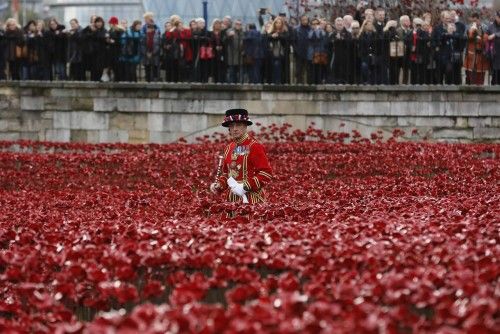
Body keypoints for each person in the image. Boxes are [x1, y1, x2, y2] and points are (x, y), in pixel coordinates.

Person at [210, 108, 272, 204]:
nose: (235, 129)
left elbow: (266, 173)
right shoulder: (228, 148)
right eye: (232, 125)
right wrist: (219, 185)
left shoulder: (254, 146)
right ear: (229, 128)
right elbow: (227, 174)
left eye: (238, 125)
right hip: (231, 200)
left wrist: (245, 186)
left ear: (245, 126)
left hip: (252, 199)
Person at [464, 13, 489, 85]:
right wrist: (473, 29)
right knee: (470, 77)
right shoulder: (469, 27)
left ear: (479, 19)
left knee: (480, 78)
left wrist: (478, 35)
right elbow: (468, 38)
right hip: (470, 55)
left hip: (481, 56)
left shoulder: (484, 27)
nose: (475, 22)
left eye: (476, 20)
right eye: (473, 21)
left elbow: (485, 41)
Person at [487, 11, 500, 85]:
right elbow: (486, 35)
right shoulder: (491, 26)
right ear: (496, 17)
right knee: (495, 74)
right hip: (494, 53)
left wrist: (495, 35)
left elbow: (493, 35)